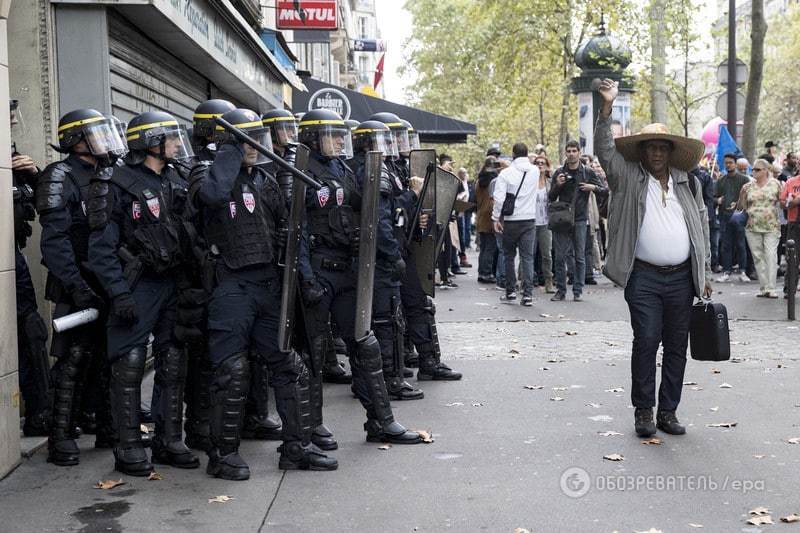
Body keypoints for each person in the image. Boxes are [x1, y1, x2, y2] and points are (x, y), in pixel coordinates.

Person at [189, 108, 337, 480]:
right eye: (246, 140)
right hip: (230, 288)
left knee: (289, 365)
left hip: (268, 287)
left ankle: (297, 447)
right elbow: (212, 195)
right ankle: (223, 455)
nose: (256, 148)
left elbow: (288, 223)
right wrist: (231, 152)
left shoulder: (266, 180)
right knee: (232, 372)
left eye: (258, 139)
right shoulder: (205, 173)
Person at [297, 108, 424, 445]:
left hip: (346, 269)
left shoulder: (341, 168)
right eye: (333, 134)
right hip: (319, 271)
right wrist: (306, 278)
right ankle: (311, 427)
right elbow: (296, 228)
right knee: (313, 351)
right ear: (314, 137)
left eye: (343, 134)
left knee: (365, 344)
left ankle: (381, 421)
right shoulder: (299, 170)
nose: (341, 140)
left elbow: (360, 208)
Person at [595, 78, 711, 438]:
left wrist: (704, 270)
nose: (657, 154)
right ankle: (643, 411)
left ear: (671, 151)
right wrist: (606, 108)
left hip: (681, 278)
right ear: (642, 152)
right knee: (646, 339)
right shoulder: (628, 177)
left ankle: (669, 412)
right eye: (651, 148)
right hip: (643, 277)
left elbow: (701, 227)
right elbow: (604, 151)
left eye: (663, 148)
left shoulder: (688, 183)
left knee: (677, 345)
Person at [88, 111, 199, 476]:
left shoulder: (176, 179)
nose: (174, 144)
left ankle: (169, 440)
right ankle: (128, 446)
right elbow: (102, 249)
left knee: (173, 362)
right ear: (150, 142)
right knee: (130, 364)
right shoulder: (114, 184)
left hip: (172, 285)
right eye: (167, 138)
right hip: (137, 285)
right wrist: (119, 294)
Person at [36, 109, 125, 465]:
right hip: (77, 281)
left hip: (106, 279)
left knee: (108, 357)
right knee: (73, 358)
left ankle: (106, 426)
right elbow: (55, 242)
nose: (104, 141)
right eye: (95, 134)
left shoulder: (107, 173)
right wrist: (76, 286)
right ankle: (61, 437)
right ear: (77, 140)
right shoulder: (59, 175)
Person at [182, 99, 240, 453]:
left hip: (222, 272)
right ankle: (198, 427)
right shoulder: (201, 168)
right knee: (201, 356)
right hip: (200, 273)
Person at [11, 99, 50, 437]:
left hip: (13, 256)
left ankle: (39, 411)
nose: (11, 119)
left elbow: (43, 203)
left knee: (30, 329)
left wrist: (35, 176)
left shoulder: (13, 156)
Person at [548, 141, 606, 302]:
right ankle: (560, 290)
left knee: (580, 256)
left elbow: (604, 190)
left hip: (580, 218)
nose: (572, 153)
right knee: (560, 256)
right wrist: (558, 185)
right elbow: (551, 197)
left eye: (574, 151)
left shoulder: (587, 172)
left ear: (579, 152)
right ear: (565, 153)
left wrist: (591, 188)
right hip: (562, 219)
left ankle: (578, 290)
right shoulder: (559, 172)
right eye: (569, 151)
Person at [491, 143, 539, 306]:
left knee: (509, 256)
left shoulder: (505, 174)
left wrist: (496, 218)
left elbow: (499, 199)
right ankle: (527, 294)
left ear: (513, 154)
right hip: (529, 220)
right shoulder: (535, 170)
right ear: (526, 154)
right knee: (527, 258)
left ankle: (510, 291)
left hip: (511, 221)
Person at [738, 160, 783, 298]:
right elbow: (742, 207)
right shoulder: (748, 186)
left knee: (770, 255)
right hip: (752, 226)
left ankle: (772, 288)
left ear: (766, 170)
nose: (754, 172)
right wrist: (741, 194)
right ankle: (764, 287)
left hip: (771, 226)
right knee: (758, 257)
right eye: (753, 170)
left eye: (757, 170)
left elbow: (782, 202)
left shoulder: (776, 184)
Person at [715, 154, 751, 283]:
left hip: (740, 217)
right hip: (724, 216)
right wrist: (717, 200)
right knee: (726, 245)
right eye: (726, 163)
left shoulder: (744, 179)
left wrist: (738, 204)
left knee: (741, 244)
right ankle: (726, 272)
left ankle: (743, 271)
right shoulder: (721, 180)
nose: (728, 165)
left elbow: (750, 197)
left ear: (735, 164)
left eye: (730, 162)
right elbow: (713, 197)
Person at [476, 157, 499, 283]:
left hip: (481, 214)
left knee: (484, 247)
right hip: (489, 214)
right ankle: (487, 273)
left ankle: (481, 272)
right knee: (490, 247)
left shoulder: (480, 180)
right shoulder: (494, 180)